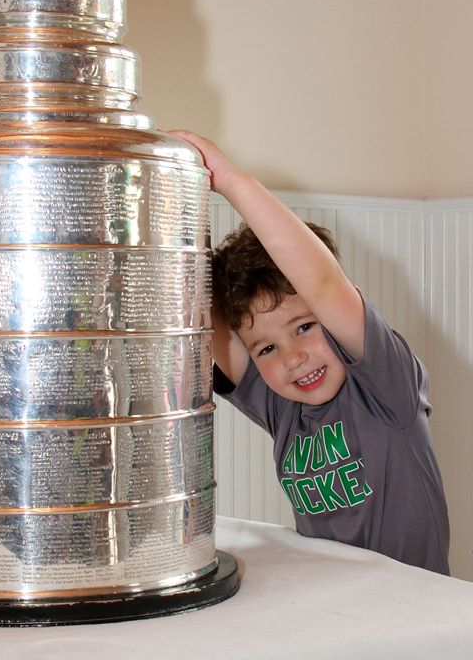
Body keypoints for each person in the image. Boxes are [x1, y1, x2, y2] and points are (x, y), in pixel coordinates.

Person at [172, 130, 450, 575]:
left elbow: (321, 283)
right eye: (266, 348)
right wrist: (174, 200)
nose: (292, 357)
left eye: (304, 326)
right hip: (336, 614)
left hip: (410, 615)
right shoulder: (281, 405)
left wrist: (230, 181)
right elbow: (204, 317)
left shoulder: (385, 390)